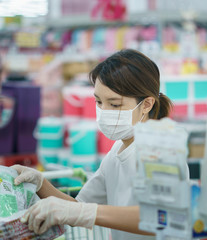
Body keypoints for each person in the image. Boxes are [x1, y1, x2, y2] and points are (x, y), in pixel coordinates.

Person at [11, 49, 190, 240]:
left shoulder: (160, 150)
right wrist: (40, 183)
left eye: (114, 105)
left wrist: (86, 213)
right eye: (98, 102)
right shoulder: (117, 152)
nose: (104, 112)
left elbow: (162, 218)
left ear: (146, 104)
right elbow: (78, 205)